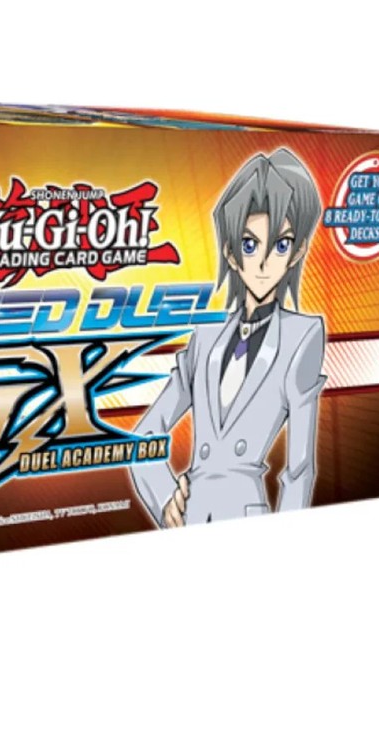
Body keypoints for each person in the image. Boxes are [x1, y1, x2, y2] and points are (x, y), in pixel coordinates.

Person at [130, 148, 326, 527]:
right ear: (232, 253)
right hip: (190, 516)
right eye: (250, 245)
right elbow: (145, 434)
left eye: (280, 245)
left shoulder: (302, 336)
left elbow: (300, 468)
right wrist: (165, 499)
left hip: (245, 516)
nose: (264, 263)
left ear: (297, 251)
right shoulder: (206, 335)